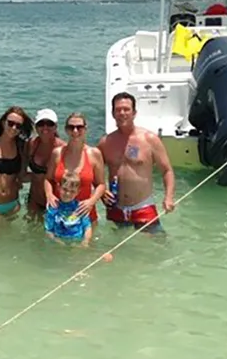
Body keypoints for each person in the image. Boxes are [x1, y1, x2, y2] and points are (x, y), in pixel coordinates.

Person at [99, 92, 175, 233]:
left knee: (159, 247)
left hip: (143, 207)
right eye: (118, 109)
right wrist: (102, 191)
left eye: (126, 109)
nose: (122, 113)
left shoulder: (149, 139)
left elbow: (167, 170)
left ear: (134, 113)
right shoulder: (106, 142)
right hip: (115, 208)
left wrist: (168, 197)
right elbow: (93, 170)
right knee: (117, 250)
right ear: (112, 113)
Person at [45, 112, 105, 226]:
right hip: (59, 215)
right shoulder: (57, 153)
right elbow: (48, 179)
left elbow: (101, 185)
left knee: (87, 244)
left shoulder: (94, 154)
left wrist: (91, 202)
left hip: (85, 214)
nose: (75, 131)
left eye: (79, 127)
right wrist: (49, 194)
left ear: (85, 129)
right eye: (71, 127)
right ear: (66, 130)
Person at [25, 109, 66, 223]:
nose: (45, 128)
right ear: (36, 127)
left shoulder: (63, 149)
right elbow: (21, 173)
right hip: (34, 200)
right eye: (41, 124)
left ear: (56, 127)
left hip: (57, 203)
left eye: (49, 124)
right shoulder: (31, 145)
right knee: (31, 236)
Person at [44, 172, 93, 246]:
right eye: (65, 189)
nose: (68, 194)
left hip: (77, 243)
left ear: (78, 192)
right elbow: (48, 230)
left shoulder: (81, 207)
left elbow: (87, 228)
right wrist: (57, 241)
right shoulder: (53, 207)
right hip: (58, 243)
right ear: (58, 187)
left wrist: (85, 242)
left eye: (72, 191)